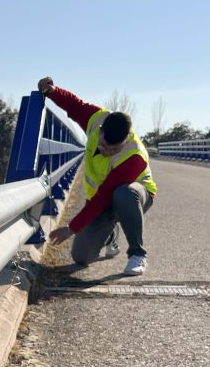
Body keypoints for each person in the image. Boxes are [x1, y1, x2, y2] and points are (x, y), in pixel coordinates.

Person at [38, 76, 157, 276]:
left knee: (124, 193)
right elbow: (75, 105)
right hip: (102, 202)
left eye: (113, 148)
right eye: (103, 144)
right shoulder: (96, 120)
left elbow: (105, 195)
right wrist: (52, 91)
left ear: (125, 139)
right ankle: (110, 235)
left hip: (135, 196)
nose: (106, 150)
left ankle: (138, 254)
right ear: (100, 131)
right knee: (81, 256)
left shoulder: (133, 156)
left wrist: (71, 228)